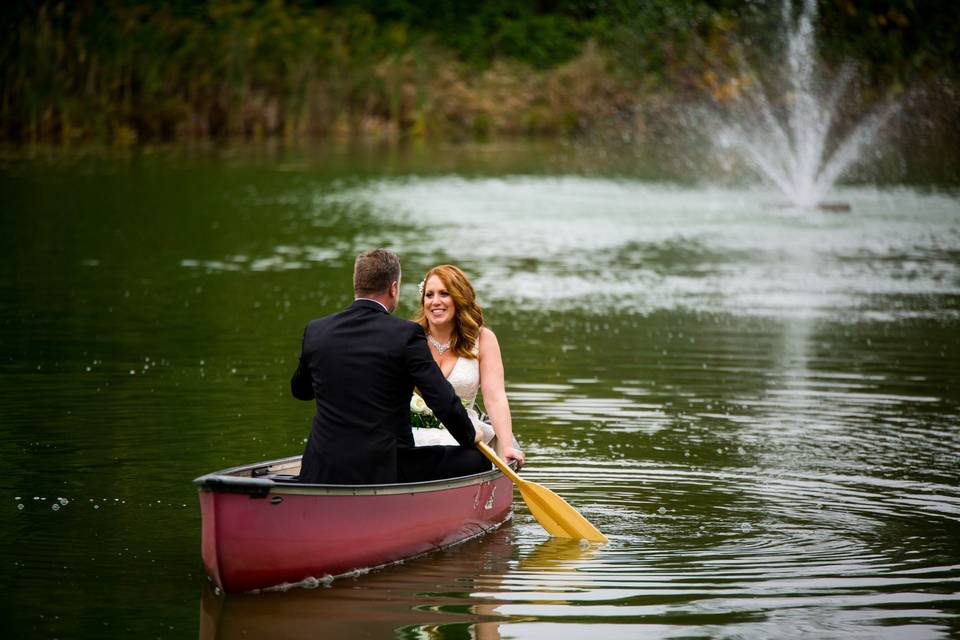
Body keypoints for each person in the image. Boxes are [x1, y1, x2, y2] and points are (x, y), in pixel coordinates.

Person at [291, 249, 490, 484]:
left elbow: (301, 391)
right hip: (385, 468)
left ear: (356, 284)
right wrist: (469, 435)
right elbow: (441, 398)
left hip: (321, 464)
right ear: (393, 288)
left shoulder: (317, 330)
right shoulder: (405, 335)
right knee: (477, 461)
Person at [413, 265, 525, 469]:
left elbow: (495, 398)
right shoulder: (411, 337)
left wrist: (507, 445)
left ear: (459, 298)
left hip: (465, 435)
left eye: (444, 294)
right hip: (414, 437)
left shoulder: (483, 339)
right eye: (429, 295)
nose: (435, 301)